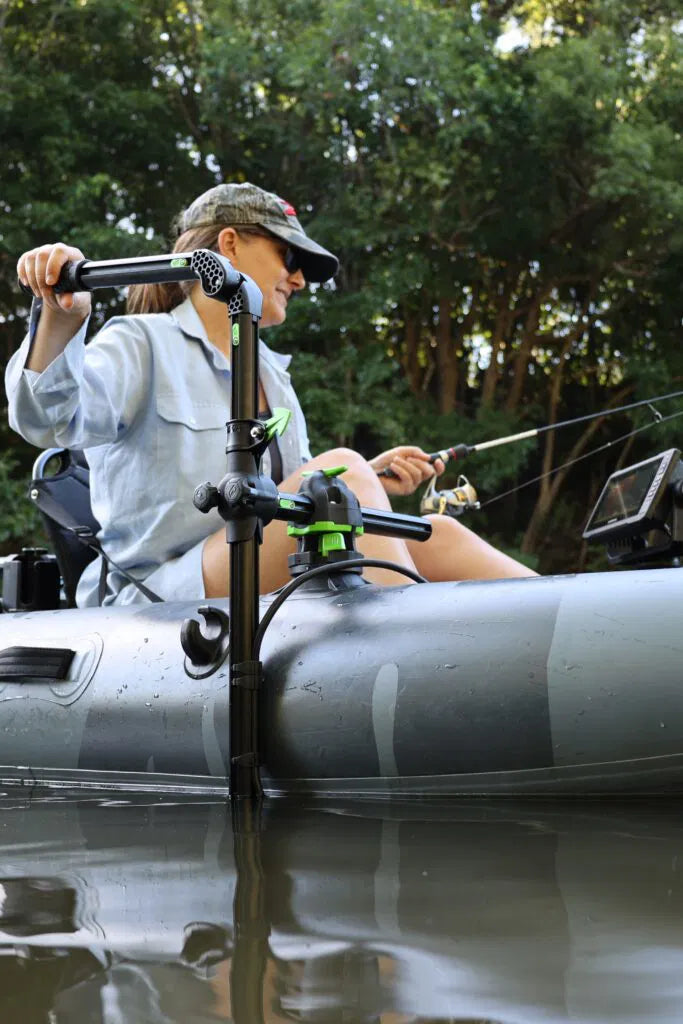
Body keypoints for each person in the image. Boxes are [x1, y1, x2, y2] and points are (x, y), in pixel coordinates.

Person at [6, 182, 534, 606]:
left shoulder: (273, 377)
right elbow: (47, 418)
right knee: (345, 473)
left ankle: (573, 635)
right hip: (157, 592)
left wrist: (368, 482)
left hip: (249, 562)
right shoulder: (142, 342)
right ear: (230, 244)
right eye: (289, 257)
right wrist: (60, 318)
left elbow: (287, 496)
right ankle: (406, 669)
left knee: (434, 531)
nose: (298, 280)